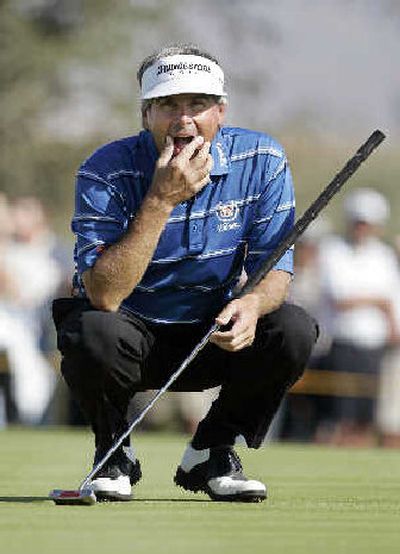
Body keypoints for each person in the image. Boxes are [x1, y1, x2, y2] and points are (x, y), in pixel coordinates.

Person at [53, 44, 317, 502]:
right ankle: (113, 452)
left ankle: (211, 450)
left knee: (292, 328)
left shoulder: (262, 159)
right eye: (167, 105)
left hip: (210, 335)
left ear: (220, 111)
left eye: (197, 104)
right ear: (145, 114)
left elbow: (277, 271)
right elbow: (104, 295)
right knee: (89, 329)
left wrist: (253, 303)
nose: (183, 119)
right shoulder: (105, 170)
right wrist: (159, 200)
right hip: (129, 335)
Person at [319, 187, 400, 445]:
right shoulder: (333, 250)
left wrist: (385, 311)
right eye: (359, 222)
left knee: (366, 420)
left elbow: (391, 300)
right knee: (341, 419)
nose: (362, 228)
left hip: (375, 348)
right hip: (344, 345)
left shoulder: (384, 256)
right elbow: (341, 298)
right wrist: (379, 302)